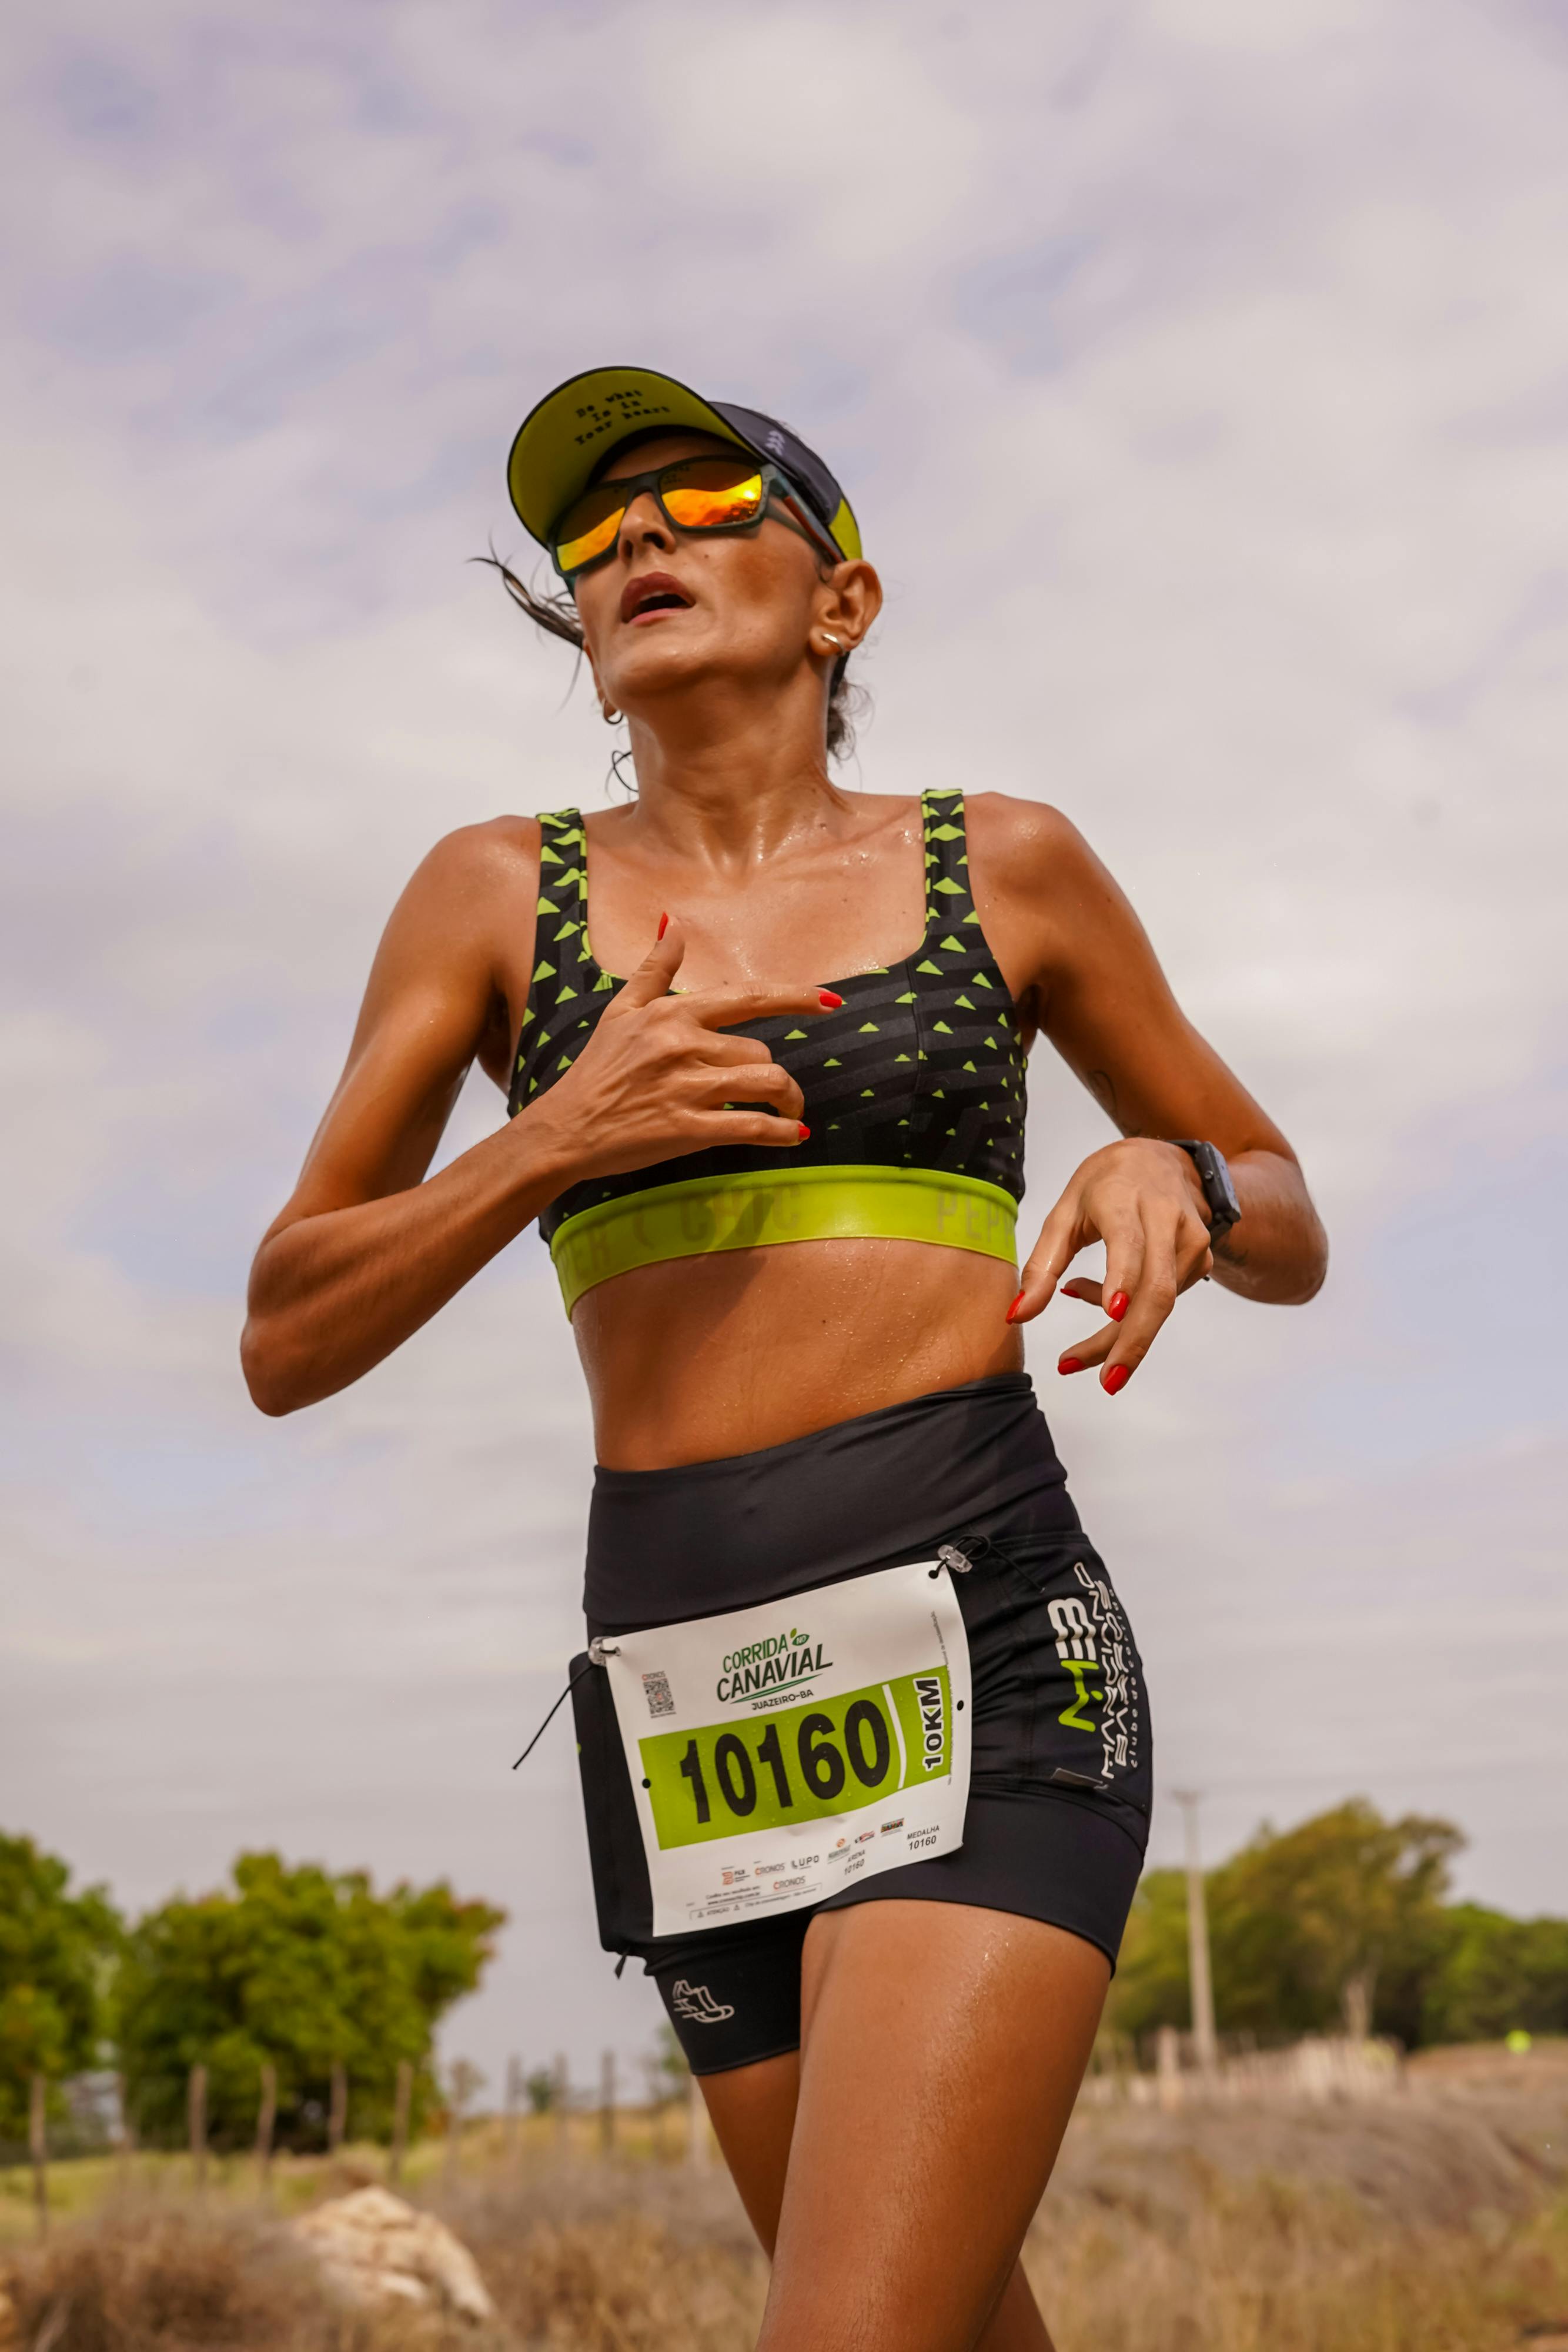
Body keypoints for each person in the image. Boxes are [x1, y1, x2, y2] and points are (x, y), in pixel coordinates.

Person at [242, 365, 1328, 2351]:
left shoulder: (1004, 861)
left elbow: (1284, 1206)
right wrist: (554, 1136)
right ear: (585, 644)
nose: (631, 540)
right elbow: (286, 1332)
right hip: (683, 1705)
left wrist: (1179, 1170)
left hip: (982, 1640)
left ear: (843, 604)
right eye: (591, 535)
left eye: (700, 499)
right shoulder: (491, 895)